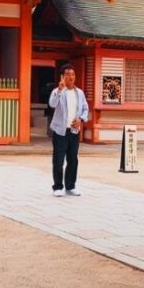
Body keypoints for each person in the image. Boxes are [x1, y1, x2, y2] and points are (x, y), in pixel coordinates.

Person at [47, 65, 88, 197]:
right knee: (58, 160)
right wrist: (59, 90)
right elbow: (52, 104)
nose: (71, 77)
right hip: (60, 131)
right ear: (62, 77)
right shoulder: (57, 91)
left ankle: (70, 186)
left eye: (73, 74)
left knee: (73, 159)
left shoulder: (79, 93)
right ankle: (58, 187)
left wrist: (80, 119)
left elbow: (85, 109)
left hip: (74, 131)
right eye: (68, 74)